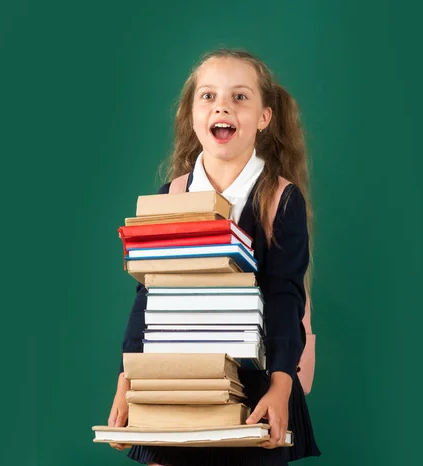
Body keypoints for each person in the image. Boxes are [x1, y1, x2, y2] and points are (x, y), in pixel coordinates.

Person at [108, 48, 321, 466]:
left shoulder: (280, 200)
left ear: (264, 117)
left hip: (256, 382)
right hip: (176, 383)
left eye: (240, 96)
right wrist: (127, 381)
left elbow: (284, 296)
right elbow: (148, 295)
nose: (222, 104)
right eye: (208, 96)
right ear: (191, 115)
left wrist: (281, 385)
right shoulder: (171, 195)